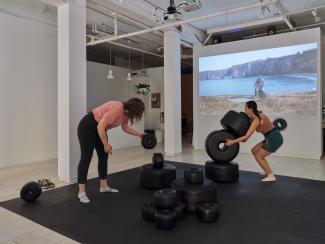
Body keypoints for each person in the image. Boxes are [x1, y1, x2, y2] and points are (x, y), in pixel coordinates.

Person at [77, 98, 145, 203]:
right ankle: (81, 192)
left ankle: (103, 187)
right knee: (86, 157)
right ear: (131, 108)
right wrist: (105, 144)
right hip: (88, 125)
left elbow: (125, 128)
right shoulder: (118, 108)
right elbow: (100, 126)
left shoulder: (126, 114)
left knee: (104, 156)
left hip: (99, 128)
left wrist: (140, 135)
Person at [225, 101, 283, 182]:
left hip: (274, 138)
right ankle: (266, 169)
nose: (244, 109)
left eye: (245, 107)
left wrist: (232, 142)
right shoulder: (254, 116)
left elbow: (246, 136)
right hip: (270, 137)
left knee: (258, 156)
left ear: (250, 109)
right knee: (254, 151)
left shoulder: (256, 120)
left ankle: (271, 175)